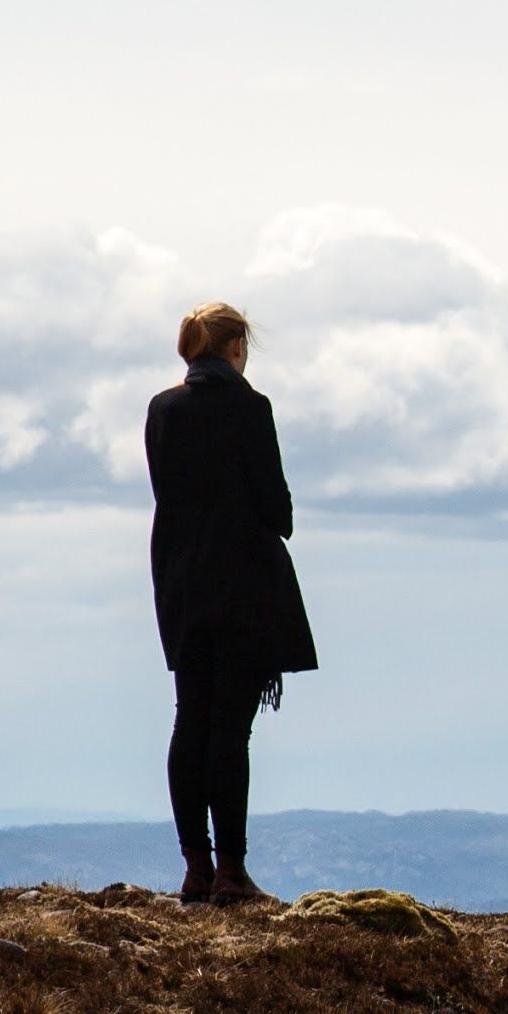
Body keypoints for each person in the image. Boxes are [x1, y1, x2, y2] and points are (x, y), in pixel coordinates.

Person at [143, 301, 319, 905]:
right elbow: (276, 509)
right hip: (245, 588)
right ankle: (231, 873)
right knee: (229, 732)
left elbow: (167, 494)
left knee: (189, 720)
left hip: (182, 586)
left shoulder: (162, 410)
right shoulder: (252, 407)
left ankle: (195, 865)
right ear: (236, 347)